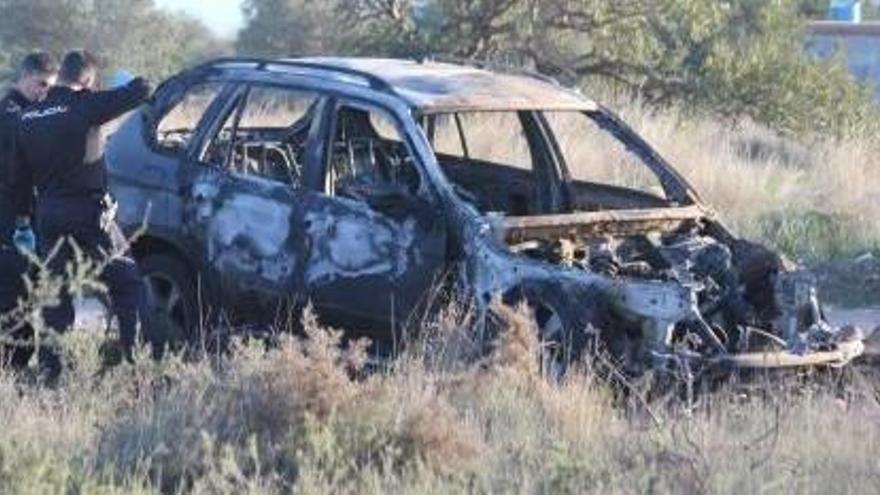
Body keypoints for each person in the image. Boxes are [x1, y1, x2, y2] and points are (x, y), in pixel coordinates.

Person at [13, 50, 151, 370]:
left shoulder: (27, 117)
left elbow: (19, 180)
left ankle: (51, 371)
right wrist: (124, 82)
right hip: (89, 214)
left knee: (55, 295)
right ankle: (139, 364)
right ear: (87, 81)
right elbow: (142, 90)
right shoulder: (86, 104)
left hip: (47, 216)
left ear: (60, 76)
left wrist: (23, 223)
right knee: (127, 284)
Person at [0, 52, 58, 368]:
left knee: (29, 290)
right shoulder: (10, 115)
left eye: (49, 87)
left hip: (26, 214)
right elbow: (16, 175)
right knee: (14, 291)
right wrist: (22, 220)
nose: (43, 92)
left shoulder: (28, 111)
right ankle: (15, 365)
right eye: (40, 85)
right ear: (24, 77)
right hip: (11, 216)